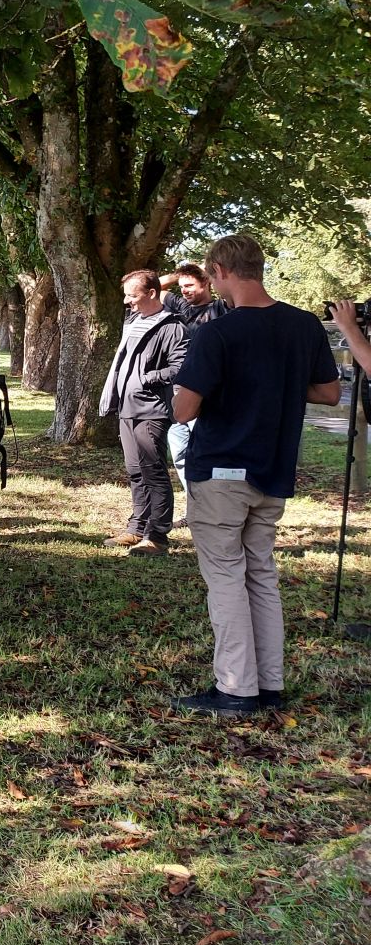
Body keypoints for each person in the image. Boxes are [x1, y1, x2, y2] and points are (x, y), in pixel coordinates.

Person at [170, 236, 340, 717]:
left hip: (221, 468)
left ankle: (235, 688)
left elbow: (184, 409)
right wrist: (277, 387)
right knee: (261, 574)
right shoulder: (304, 325)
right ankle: (269, 682)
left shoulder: (218, 332)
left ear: (220, 271)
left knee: (225, 577)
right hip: (273, 468)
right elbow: (329, 393)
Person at [98, 270, 187, 555]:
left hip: (152, 410)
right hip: (126, 406)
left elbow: (180, 368)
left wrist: (146, 378)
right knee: (135, 470)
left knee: (153, 471)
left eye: (132, 295)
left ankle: (158, 536)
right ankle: (136, 528)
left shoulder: (173, 326)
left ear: (152, 294)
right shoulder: (134, 319)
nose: (127, 301)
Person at [162, 262, 230, 492]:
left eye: (190, 285)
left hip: (208, 392)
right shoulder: (181, 307)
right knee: (179, 452)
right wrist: (180, 274)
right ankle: (194, 504)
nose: (184, 290)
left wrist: (207, 269)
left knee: (208, 449)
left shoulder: (222, 308)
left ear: (207, 283)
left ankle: (215, 500)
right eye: (181, 286)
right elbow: (152, 287)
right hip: (179, 389)